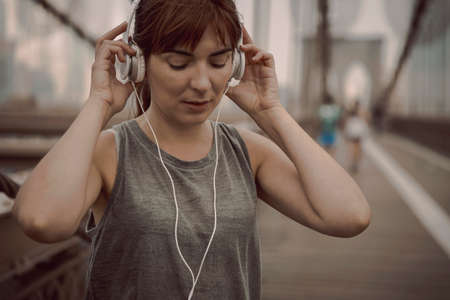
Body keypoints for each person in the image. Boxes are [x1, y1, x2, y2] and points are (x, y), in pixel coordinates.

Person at [12, 0, 371, 299]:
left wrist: (270, 112)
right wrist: (99, 104)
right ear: (138, 63)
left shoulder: (246, 152)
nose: (202, 83)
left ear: (237, 63)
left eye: (218, 63)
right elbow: (41, 220)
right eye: (179, 63)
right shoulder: (112, 153)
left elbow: (349, 215)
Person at [345, 99, 369, 172]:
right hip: (359, 131)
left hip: (352, 130)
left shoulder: (350, 111)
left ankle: (353, 162)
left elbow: (347, 120)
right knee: (358, 148)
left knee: (353, 147)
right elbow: (366, 120)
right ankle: (355, 163)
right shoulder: (362, 112)